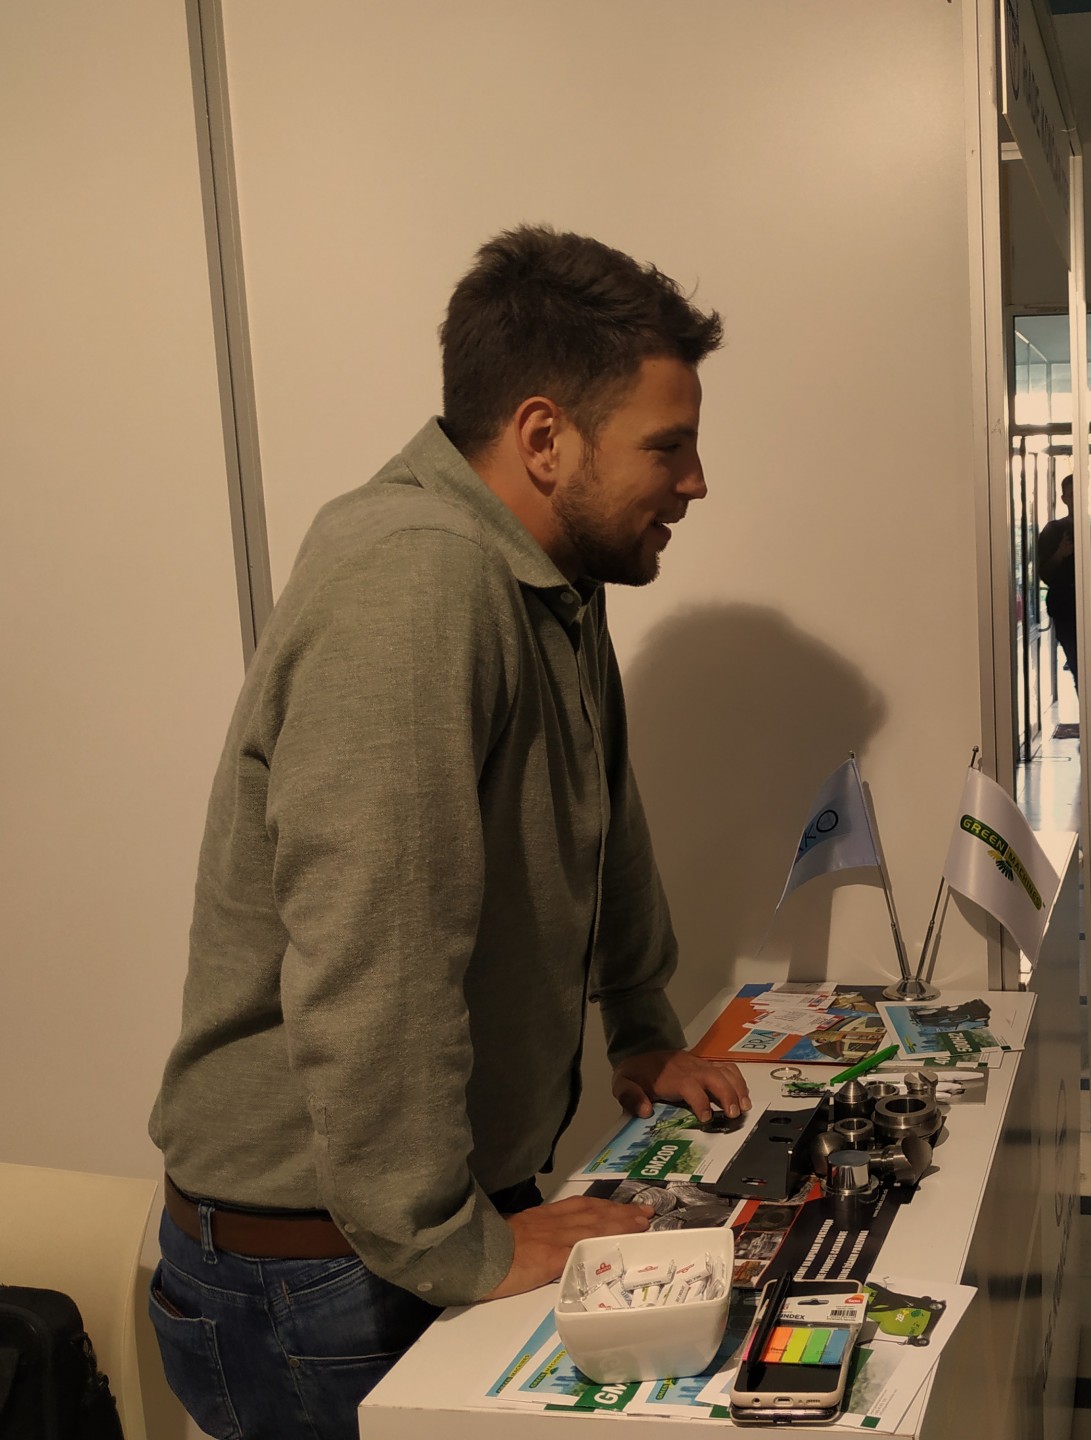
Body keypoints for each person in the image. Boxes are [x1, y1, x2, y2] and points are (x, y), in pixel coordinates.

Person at [146, 226, 753, 1440]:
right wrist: (448, 1242)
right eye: (667, 445)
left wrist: (642, 1023)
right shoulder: (416, 580)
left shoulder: (548, 579)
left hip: (389, 1235)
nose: (695, 481)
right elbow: (375, 955)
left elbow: (600, 809)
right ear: (544, 438)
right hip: (322, 1276)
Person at [1036, 475, 1091, 745]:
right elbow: (1043, 573)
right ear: (1064, 498)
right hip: (1066, 611)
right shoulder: (1053, 531)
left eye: (1080, 493)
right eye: (1071, 494)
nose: (1076, 498)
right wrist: (1060, 553)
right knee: (1079, 669)